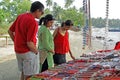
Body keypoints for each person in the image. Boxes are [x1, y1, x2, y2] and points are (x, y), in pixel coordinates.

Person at [8, 1, 44, 80]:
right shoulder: (33, 22)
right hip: (27, 52)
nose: (42, 14)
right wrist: (37, 52)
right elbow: (30, 43)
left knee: (24, 72)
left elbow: (10, 31)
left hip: (18, 51)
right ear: (38, 10)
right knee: (30, 76)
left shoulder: (20, 16)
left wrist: (17, 42)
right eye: (42, 12)